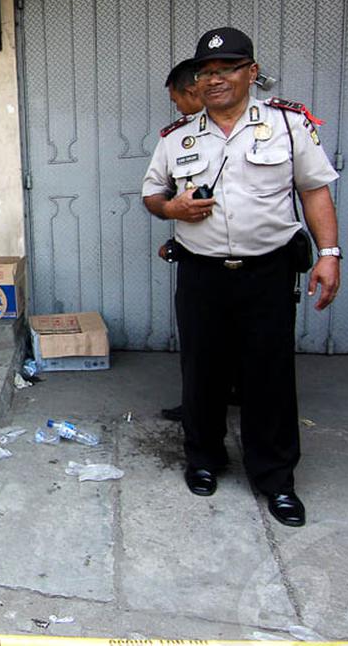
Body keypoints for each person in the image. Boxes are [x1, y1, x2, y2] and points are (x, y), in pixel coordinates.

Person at [141, 27, 341, 528]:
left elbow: (315, 190)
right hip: (201, 272)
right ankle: (204, 459)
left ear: (251, 72)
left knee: (268, 375)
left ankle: (275, 479)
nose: (215, 80)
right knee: (202, 370)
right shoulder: (177, 138)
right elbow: (151, 196)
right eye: (206, 72)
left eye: (227, 69)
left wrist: (329, 253)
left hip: (267, 272)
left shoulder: (288, 126)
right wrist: (173, 208)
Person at [157, 58, 203, 423]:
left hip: (262, 263)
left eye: (176, 100)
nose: (178, 108)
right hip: (201, 260)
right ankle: (198, 409)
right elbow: (163, 196)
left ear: (191, 90)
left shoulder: (273, 125)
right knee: (200, 346)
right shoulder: (178, 138)